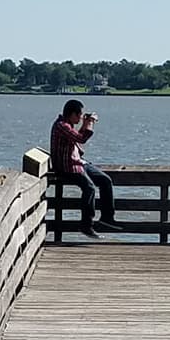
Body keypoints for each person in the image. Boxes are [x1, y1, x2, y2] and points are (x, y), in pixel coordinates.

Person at [50, 99, 122, 238]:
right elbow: (81, 139)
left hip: (78, 162)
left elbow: (78, 137)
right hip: (67, 167)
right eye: (80, 115)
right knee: (89, 188)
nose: (81, 117)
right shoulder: (61, 126)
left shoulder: (68, 125)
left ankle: (107, 218)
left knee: (105, 180)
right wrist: (90, 123)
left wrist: (85, 124)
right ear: (72, 114)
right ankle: (86, 225)